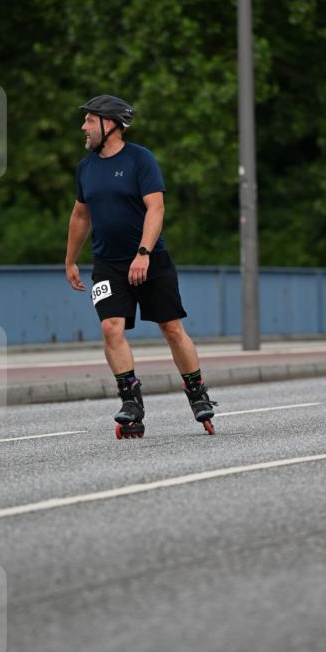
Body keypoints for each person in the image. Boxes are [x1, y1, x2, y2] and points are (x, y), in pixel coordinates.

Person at [65, 94, 216, 438]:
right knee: (110, 328)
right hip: (108, 265)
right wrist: (70, 260)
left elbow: (156, 208)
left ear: (110, 124)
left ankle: (197, 392)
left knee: (172, 329)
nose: (83, 127)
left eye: (89, 120)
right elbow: (80, 215)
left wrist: (144, 252)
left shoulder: (140, 159)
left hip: (151, 260)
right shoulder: (86, 167)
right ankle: (131, 402)